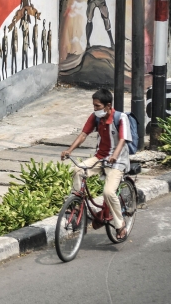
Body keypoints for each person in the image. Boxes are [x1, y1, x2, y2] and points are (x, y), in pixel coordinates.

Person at [60, 89, 131, 239]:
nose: (95, 109)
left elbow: (123, 140)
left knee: (108, 192)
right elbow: (83, 134)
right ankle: (77, 204)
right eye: (94, 105)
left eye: (97, 106)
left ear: (108, 105)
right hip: (100, 157)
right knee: (78, 170)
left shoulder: (121, 117)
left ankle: (120, 225)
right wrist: (69, 150)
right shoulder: (96, 117)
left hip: (117, 160)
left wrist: (114, 156)